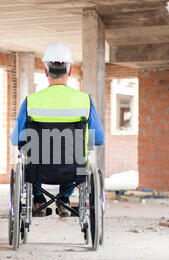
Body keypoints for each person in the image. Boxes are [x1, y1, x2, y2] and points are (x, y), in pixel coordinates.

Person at [11, 42, 104, 217]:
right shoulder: (84, 101)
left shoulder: (31, 101)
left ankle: (38, 198)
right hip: (73, 169)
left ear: (46, 71)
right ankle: (64, 200)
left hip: (38, 168)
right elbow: (98, 138)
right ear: (69, 71)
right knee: (78, 154)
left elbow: (16, 139)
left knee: (33, 151)